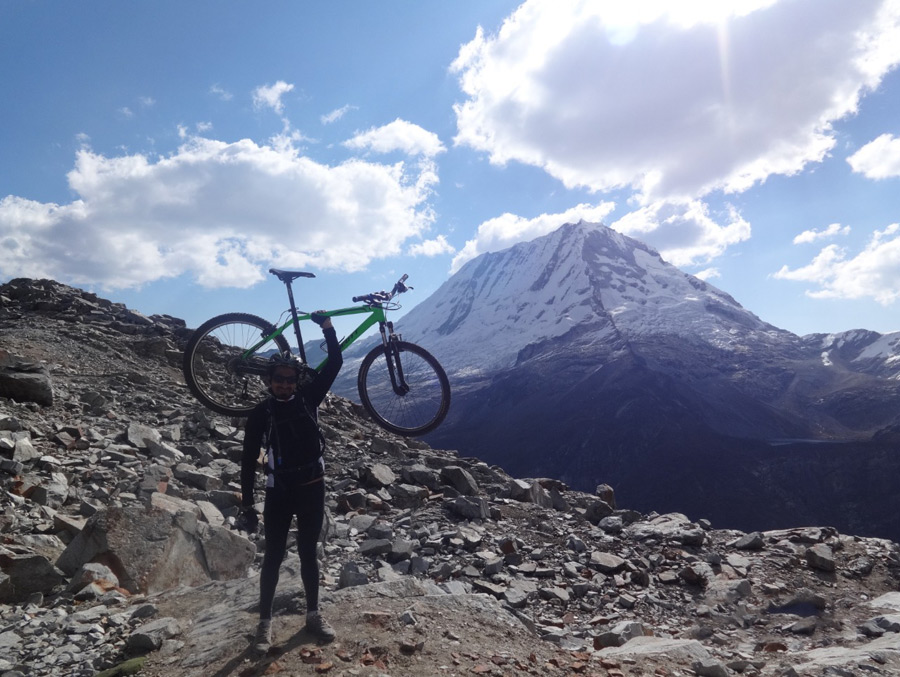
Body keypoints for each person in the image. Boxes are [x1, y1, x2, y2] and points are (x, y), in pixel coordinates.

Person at [238, 311, 343, 654]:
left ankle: (313, 615)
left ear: (297, 380)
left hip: (312, 486)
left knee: (308, 553)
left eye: (289, 379)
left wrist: (327, 327)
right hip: (278, 490)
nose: (284, 384)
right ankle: (264, 625)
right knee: (273, 556)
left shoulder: (309, 400)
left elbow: (335, 362)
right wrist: (246, 504)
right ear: (269, 380)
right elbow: (247, 458)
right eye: (278, 379)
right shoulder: (260, 413)